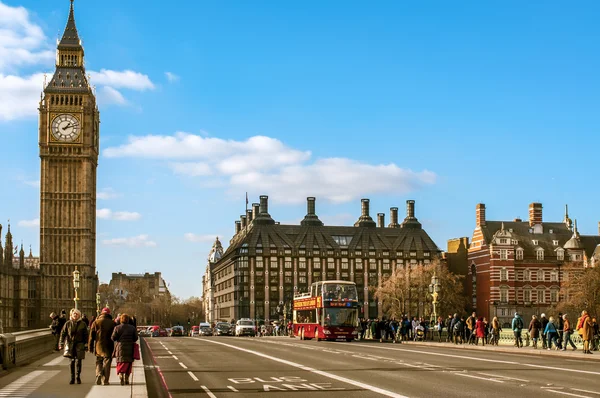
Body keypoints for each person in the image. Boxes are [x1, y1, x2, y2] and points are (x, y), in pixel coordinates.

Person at [59, 309, 89, 385]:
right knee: (71, 362)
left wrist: (86, 344)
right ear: (71, 315)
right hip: (70, 344)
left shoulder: (83, 324)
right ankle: (72, 378)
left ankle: (78, 377)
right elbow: (63, 333)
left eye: (77, 314)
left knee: (79, 362)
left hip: (80, 344)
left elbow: (86, 335)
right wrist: (61, 343)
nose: (75, 315)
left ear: (79, 315)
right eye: (74, 314)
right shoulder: (67, 323)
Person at [89, 307, 115, 385]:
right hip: (109, 345)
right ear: (109, 313)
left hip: (98, 345)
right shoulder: (112, 323)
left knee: (99, 361)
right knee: (107, 361)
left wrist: (90, 346)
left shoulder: (96, 322)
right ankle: (106, 380)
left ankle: (99, 373)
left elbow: (91, 336)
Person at [112, 313, 139, 385]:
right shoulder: (132, 328)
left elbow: (113, 338)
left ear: (121, 320)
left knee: (120, 362)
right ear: (128, 320)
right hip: (130, 347)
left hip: (120, 347)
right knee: (129, 363)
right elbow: (136, 338)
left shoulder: (117, 328)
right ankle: (127, 378)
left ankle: (121, 374)